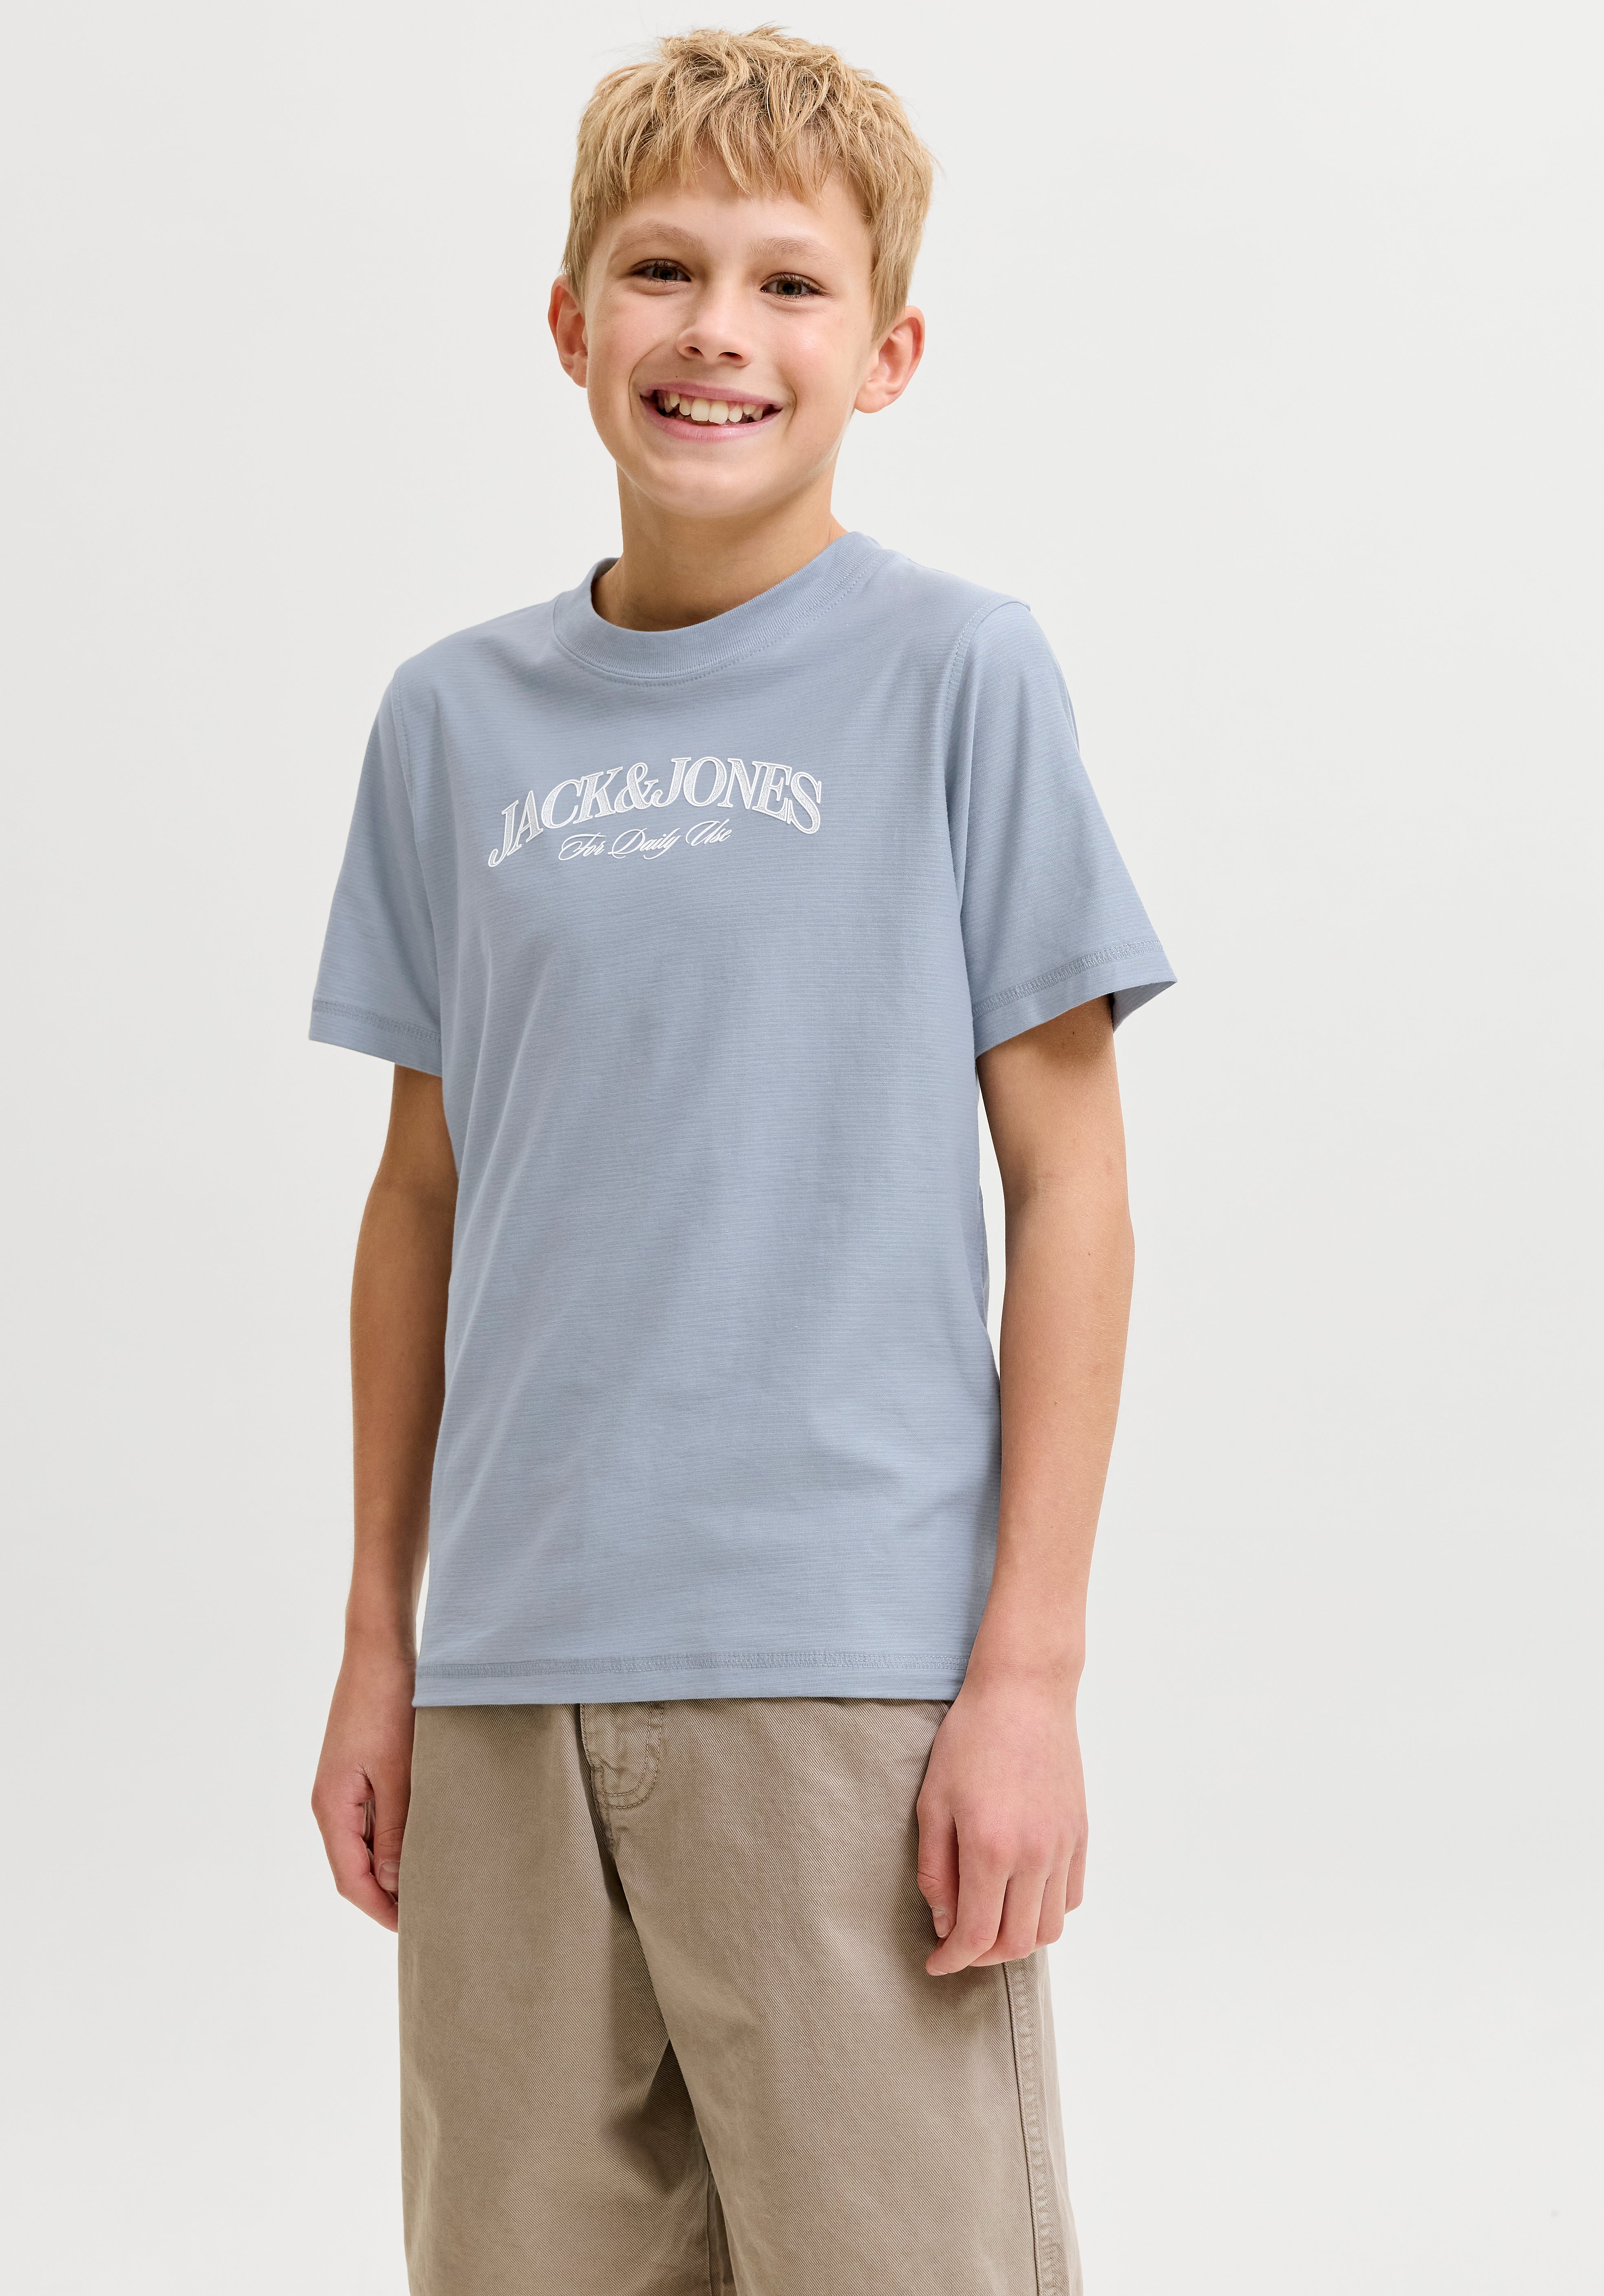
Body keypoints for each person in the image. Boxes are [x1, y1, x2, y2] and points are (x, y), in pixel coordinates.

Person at [309, 26, 1174, 2294]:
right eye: (664, 268)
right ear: (570, 319)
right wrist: (383, 1643)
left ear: (887, 352)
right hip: (509, 1687)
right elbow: (424, 1195)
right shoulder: (450, 723)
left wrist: (1029, 1679)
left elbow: (1071, 1184)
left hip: (844, 1681)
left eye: (791, 284)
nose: (719, 330)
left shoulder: (961, 677)